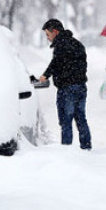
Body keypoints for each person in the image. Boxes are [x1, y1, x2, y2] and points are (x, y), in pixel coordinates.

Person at [37, 19, 92, 150]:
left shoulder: (61, 45)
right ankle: (86, 147)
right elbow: (81, 65)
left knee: (65, 121)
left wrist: (45, 75)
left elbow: (56, 63)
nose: (47, 38)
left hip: (67, 88)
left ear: (55, 32)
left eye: (48, 34)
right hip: (81, 87)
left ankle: (66, 150)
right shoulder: (77, 44)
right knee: (81, 119)